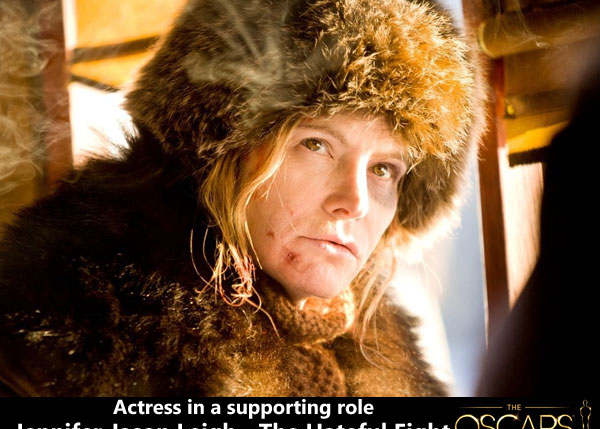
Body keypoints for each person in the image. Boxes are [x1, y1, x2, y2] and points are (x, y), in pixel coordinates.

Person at [0, 0, 483, 396]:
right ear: (225, 151)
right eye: (316, 145)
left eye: (383, 169)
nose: (354, 201)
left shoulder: (387, 356)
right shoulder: (76, 326)